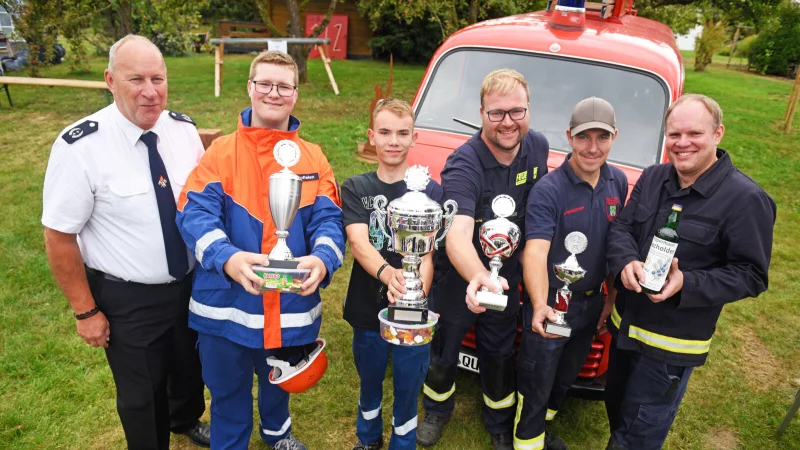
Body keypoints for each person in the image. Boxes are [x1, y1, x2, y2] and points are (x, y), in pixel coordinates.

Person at [41, 35, 209, 449]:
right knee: (141, 394)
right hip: (129, 298)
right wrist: (85, 311)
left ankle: (185, 418)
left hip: (190, 284)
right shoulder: (81, 147)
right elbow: (59, 236)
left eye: (158, 79)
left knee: (189, 366)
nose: (150, 91)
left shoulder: (184, 131)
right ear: (110, 80)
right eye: (136, 79)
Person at [175, 50, 345, 450]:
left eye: (284, 86)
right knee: (227, 393)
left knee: (279, 383)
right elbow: (193, 214)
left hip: (289, 306)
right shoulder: (220, 153)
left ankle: (278, 435)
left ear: (295, 94)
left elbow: (329, 219)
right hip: (227, 306)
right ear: (250, 88)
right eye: (265, 83)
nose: (274, 93)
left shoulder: (313, 156)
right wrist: (228, 258)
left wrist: (323, 259)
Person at [604, 94, 776, 450]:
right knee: (618, 415)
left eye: (694, 133)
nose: (682, 143)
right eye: (674, 134)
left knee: (636, 438)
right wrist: (626, 261)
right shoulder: (653, 177)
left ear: (718, 134)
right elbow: (622, 227)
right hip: (624, 332)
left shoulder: (746, 200)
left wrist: (687, 283)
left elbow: (751, 274)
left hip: (669, 350)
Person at [417, 69, 550, 449]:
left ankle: (499, 422)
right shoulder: (464, 163)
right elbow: (458, 233)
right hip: (461, 278)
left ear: (528, 110)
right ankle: (437, 410)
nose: (507, 122)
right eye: (496, 113)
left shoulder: (537, 147)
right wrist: (478, 276)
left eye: (516, 111)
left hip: (507, 276)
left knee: (500, 351)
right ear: (481, 114)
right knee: (445, 348)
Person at [514, 98, 628, 450]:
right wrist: (539, 305)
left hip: (591, 304)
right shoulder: (549, 190)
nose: (592, 148)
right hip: (553, 304)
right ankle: (527, 440)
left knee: (565, 376)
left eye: (602, 137)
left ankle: (542, 429)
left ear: (614, 137)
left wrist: (609, 300)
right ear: (569, 137)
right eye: (583, 137)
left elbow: (615, 247)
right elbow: (535, 252)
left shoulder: (618, 182)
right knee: (538, 378)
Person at [341, 98, 445, 450]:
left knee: (408, 387)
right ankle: (368, 439)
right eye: (385, 132)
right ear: (372, 136)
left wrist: (415, 297)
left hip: (411, 314)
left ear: (414, 137)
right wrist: (389, 276)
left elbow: (427, 254)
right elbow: (358, 243)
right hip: (366, 309)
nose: (393, 141)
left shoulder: (431, 193)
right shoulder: (356, 187)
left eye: (402, 133)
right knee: (370, 382)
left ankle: (403, 443)